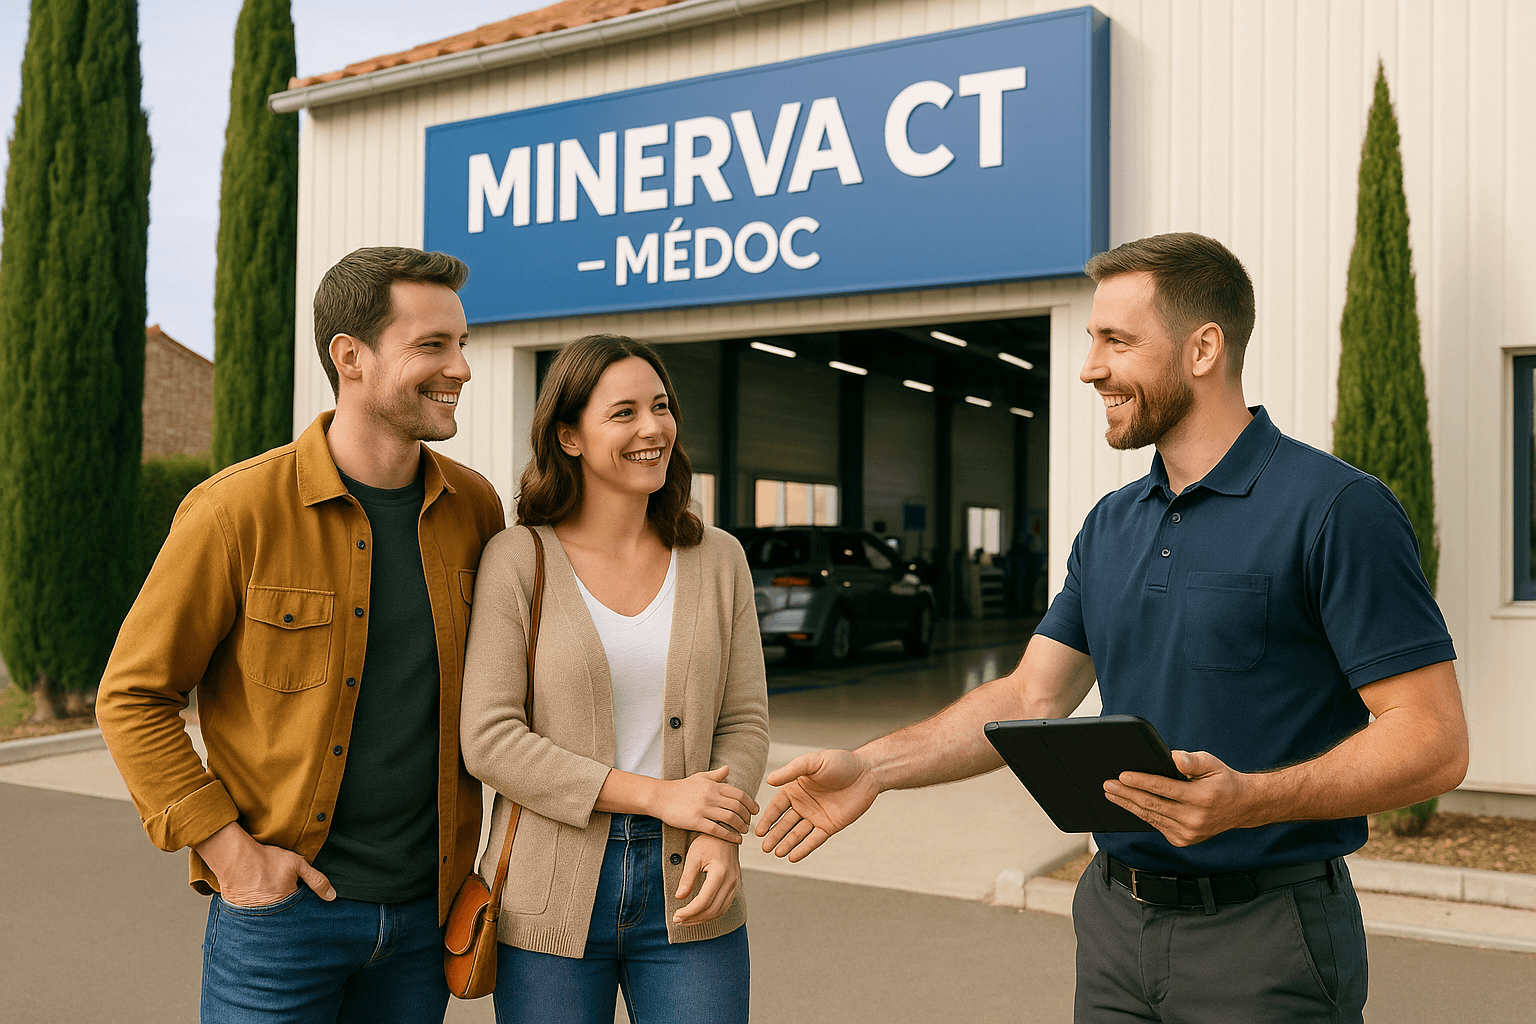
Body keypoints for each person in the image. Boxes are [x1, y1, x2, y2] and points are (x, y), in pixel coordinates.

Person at [755, 233, 1468, 1023]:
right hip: (1112, 928)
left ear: (1204, 348)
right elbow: (1030, 695)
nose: (1090, 366)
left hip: (1266, 939)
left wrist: (1252, 800)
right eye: (1093, 340)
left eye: (1117, 341)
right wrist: (873, 768)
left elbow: (1434, 738)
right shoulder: (1110, 524)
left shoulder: (1337, 509)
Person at [97, 247, 505, 1023]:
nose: (462, 367)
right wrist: (230, 854)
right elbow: (132, 695)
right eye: (433, 346)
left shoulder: (476, 510)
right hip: (282, 921)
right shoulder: (235, 511)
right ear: (349, 356)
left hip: (427, 920)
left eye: (462, 344)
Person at [460, 335, 769, 1024]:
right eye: (623, 412)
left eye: (661, 407)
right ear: (568, 435)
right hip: (548, 893)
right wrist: (660, 797)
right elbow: (489, 738)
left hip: (691, 885)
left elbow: (744, 719)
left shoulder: (719, 558)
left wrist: (719, 829)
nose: (653, 428)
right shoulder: (519, 559)